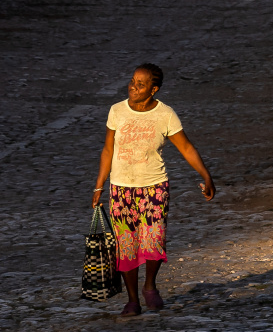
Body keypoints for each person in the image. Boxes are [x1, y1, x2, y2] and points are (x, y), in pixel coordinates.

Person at [89, 63, 216, 316]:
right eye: (132, 81)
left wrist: (206, 175)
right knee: (125, 246)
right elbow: (108, 149)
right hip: (121, 189)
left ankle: (150, 285)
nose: (133, 87)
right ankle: (132, 300)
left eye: (141, 84)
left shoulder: (165, 115)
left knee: (154, 241)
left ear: (153, 89)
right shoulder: (117, 111)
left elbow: (186, 147)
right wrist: (99, 185)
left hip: (155, 188)